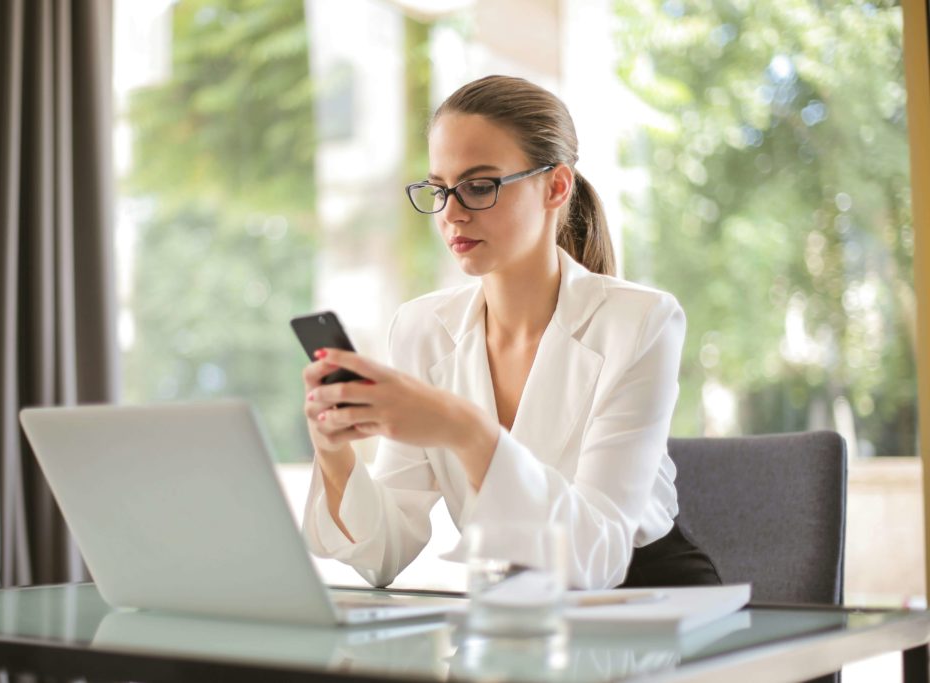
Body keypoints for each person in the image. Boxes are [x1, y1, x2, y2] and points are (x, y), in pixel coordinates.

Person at [299, 74, 720, 590]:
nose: (451, 214)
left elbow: (599, 558)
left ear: (556, 186)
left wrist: (465, 430)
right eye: (439, 189)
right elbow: (384, 554)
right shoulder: (421, 329)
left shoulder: (641, 322)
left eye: (479, 186)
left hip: (649, 603)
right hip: (515, 614)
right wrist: (334, 449)